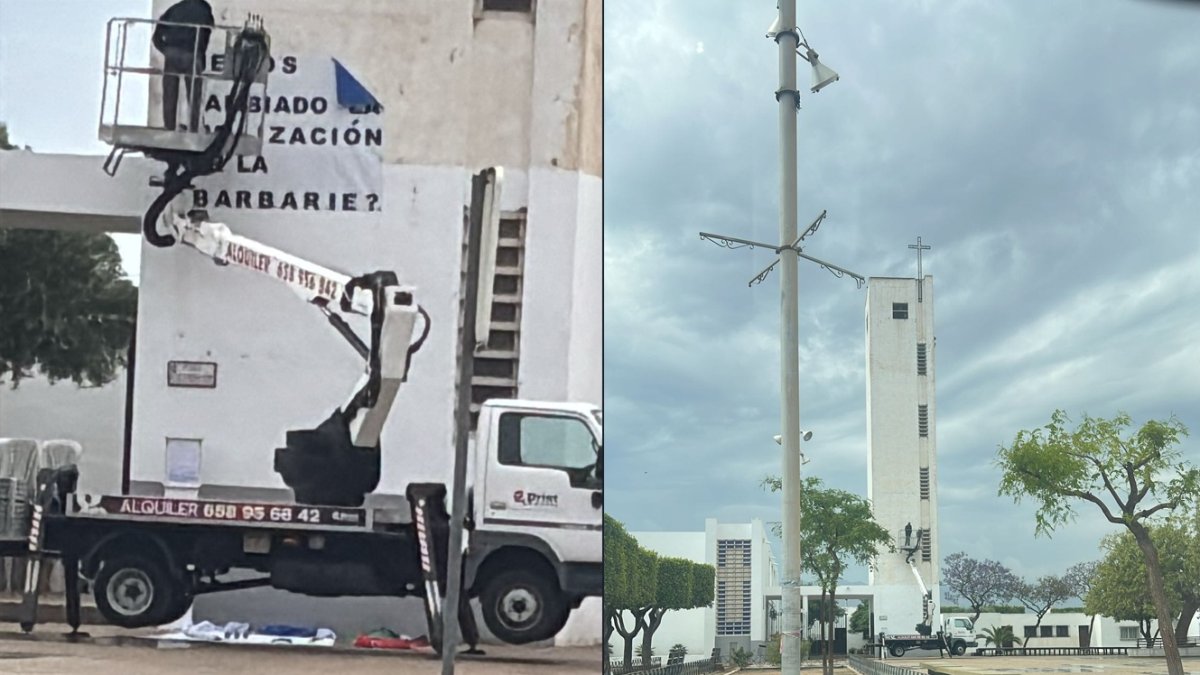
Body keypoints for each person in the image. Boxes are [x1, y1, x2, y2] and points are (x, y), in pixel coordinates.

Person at [153, 0, 215, 131]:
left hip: (172, 54)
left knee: (169, 93)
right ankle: (193, 128)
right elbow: (205, 36)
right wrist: (201, 57)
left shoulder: (174, 8)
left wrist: (166, 50)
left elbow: (156, 36)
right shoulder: (204, 9)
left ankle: (169, 127)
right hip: (192, 54)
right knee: (194, 96)